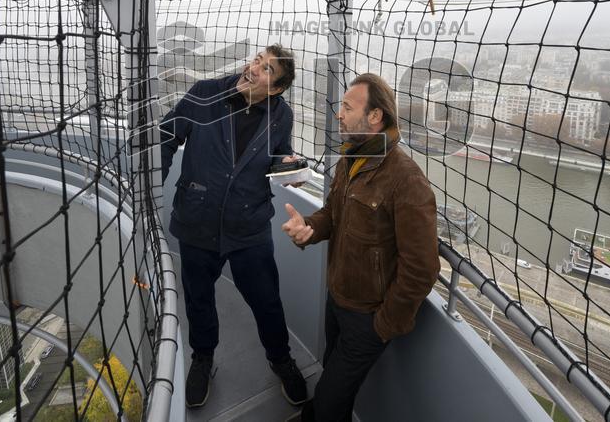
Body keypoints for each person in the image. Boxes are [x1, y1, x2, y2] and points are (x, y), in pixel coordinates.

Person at [282, 73, 439, 421]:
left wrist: (382, 325)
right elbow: (332, 215)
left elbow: (423, 268)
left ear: (374, 116)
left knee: (328, 402)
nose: (338, 113)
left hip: (367, 318)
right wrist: (309, 227)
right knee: (331, 383)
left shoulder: (407, 180)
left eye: (347, 106)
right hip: (336, 300)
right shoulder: (350, 160)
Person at [159, 44, 309, 409]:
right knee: (198, 299)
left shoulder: (282, 116)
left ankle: (281, 360)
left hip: (249, 226)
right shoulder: (204, 94)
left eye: (267, 69)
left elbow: (276, 154)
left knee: (267, 302)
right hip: (197, 221)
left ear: (276, 89)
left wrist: (289, 166)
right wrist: (145, 193)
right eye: (257, 60)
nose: (255, 68)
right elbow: (165, 139)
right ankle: (203, 359)